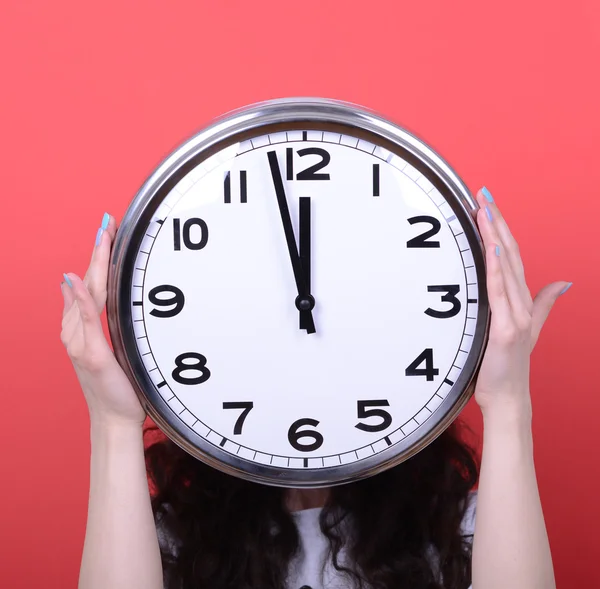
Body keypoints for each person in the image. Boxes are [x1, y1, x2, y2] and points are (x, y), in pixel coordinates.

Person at [61, 187, 566, 589]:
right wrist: (113, 424)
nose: (308, 320)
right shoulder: (168, 544)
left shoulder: (459, 533)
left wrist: (507, 403)